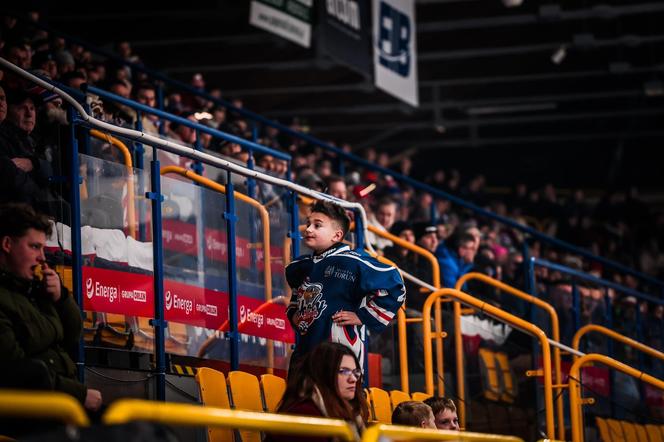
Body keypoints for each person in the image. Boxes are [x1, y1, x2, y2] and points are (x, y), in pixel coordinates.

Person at [0, 203, 102, 411]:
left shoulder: (35, 291)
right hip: (31, 413)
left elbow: (74, 335)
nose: (42, 258)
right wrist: (78, 395)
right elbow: (17, 370)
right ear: (7, 244)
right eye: (34, 247)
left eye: (43, 248)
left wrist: (61, 297)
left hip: (59, 404)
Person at [285, 201, 405, 371]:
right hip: (304, 353)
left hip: (340, 355)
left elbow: (395, 285)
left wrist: (363, 316)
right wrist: (294, 314)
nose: (309, 229)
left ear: (337, 235)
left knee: (336, 396)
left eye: (317, 225)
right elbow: (296, 297)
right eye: (308, 224)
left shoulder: (353, 261)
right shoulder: (298, 266)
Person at [266, 342, 368, 442]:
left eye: (355, 372)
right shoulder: (304, 413)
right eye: (344, 371)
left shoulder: (348, 412)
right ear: (323, 373)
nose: (353, 379)